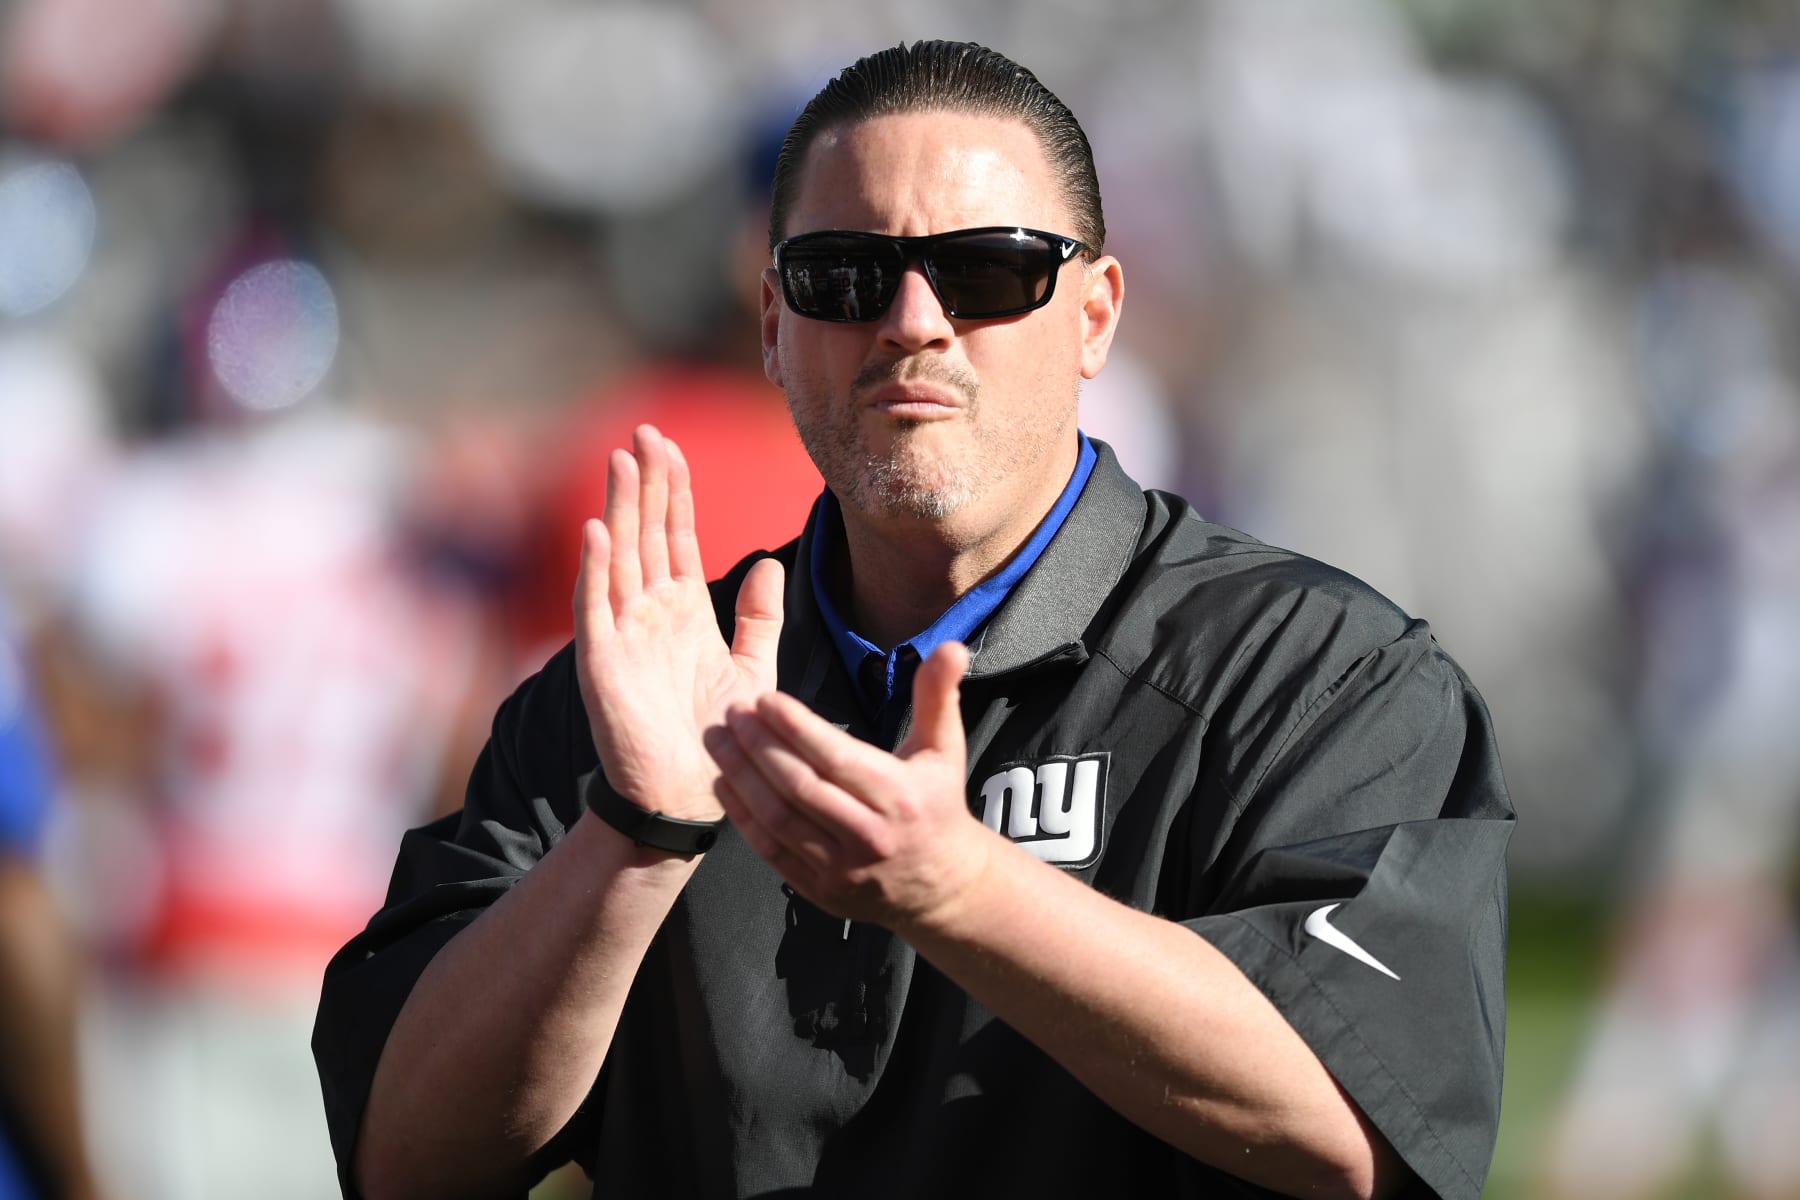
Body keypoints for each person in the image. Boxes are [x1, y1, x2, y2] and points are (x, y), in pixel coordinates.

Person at [314, 40, 1512, 1200]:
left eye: (988, 270)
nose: (913, 321)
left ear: (1095, 315)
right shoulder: (645, 692)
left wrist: (959, 888)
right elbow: (403, 1160)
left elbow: (1360, 1123)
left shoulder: (1315, 674)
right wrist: (633, 837)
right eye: (844, 275)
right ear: (774, 325)